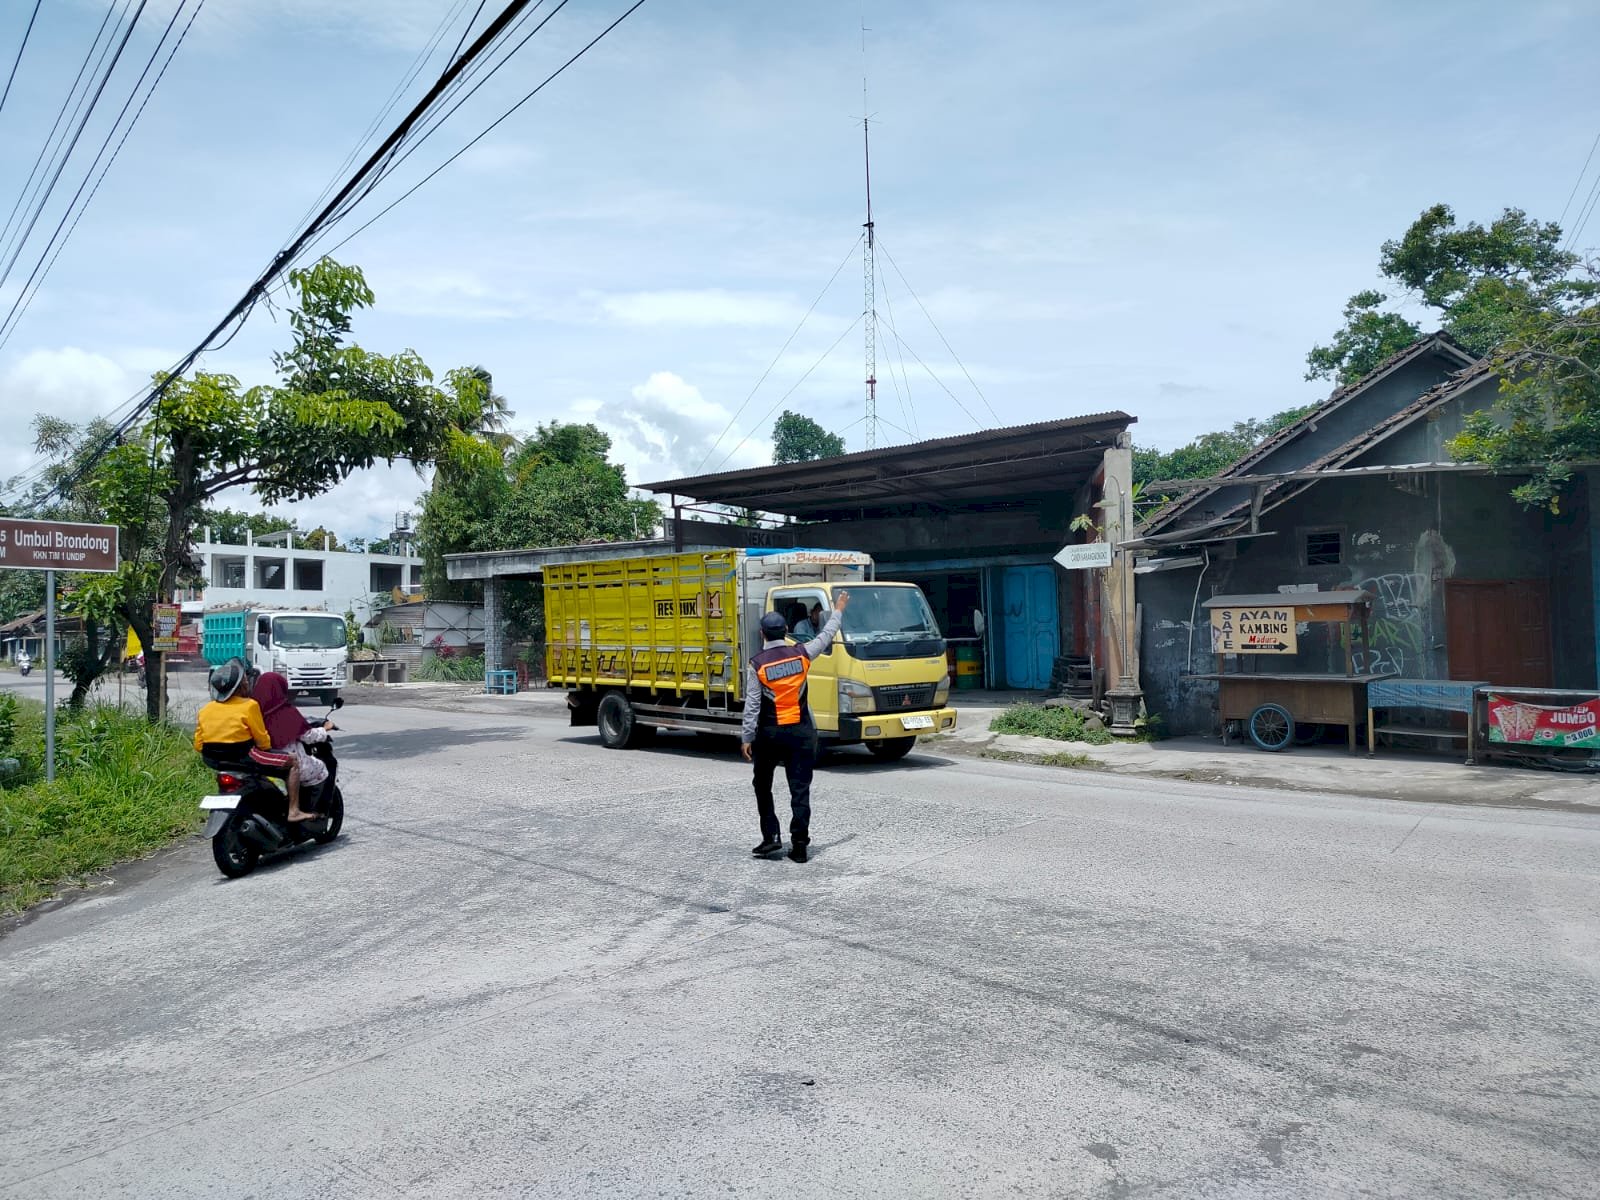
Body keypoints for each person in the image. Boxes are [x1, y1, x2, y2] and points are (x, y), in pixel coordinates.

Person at [741, 590, 849, 863]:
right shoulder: (802, 653)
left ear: (763, 634)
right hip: (801, 734)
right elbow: (825, 636)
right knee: (799, 789)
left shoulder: (757, 664)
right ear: (786, 630)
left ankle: (771, 837)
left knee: (762, 785)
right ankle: (799, 846)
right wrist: (838, 610)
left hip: (769, 735)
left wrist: (746, 737)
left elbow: (752, 706)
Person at [192, 658, 315, 822]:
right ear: (240, 686)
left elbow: (198, 743)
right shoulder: (249, 705)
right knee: (292, 762)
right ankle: (294, 811)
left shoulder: (205, 710)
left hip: (213, 759)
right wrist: (267, 748)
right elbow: (262, 739)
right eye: (244, 681)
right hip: (244, 756)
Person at [252, 671, 335, 797]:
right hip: (287, 760)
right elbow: (308, 736)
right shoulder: (285, 712)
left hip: (262, 761)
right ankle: (312, 807)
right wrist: (325, 729)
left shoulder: (252, 710)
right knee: (321, 769)